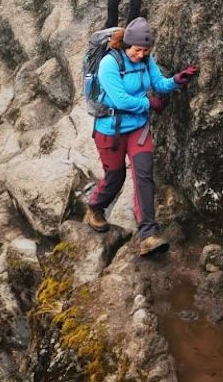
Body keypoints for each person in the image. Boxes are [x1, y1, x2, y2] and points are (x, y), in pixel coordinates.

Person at [84, 17, 197, 256]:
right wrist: (149, 103)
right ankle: (94, 208)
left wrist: (176, 80)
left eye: (146, 51)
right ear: (126, 44)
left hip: (138, 128)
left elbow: (158, 83)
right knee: (115, 177)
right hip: (110, 129)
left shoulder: (146, 60)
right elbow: (120, 100)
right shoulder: (109, 64)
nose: (141, 55)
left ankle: (148, 234)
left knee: (144, 175)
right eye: (137, 50)